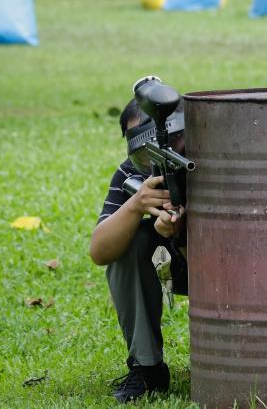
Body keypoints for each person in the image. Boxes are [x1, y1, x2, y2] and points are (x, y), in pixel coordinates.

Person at [89, 98, 187, 403]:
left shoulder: (213, 160)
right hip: (177, 267)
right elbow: (100, 251)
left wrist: (183, 236)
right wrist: (137, 205)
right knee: (133, 241)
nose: (162, 146)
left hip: (230, 270)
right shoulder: (133, 172)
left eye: (169, 137)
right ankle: (147, 368)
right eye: (144, 142)